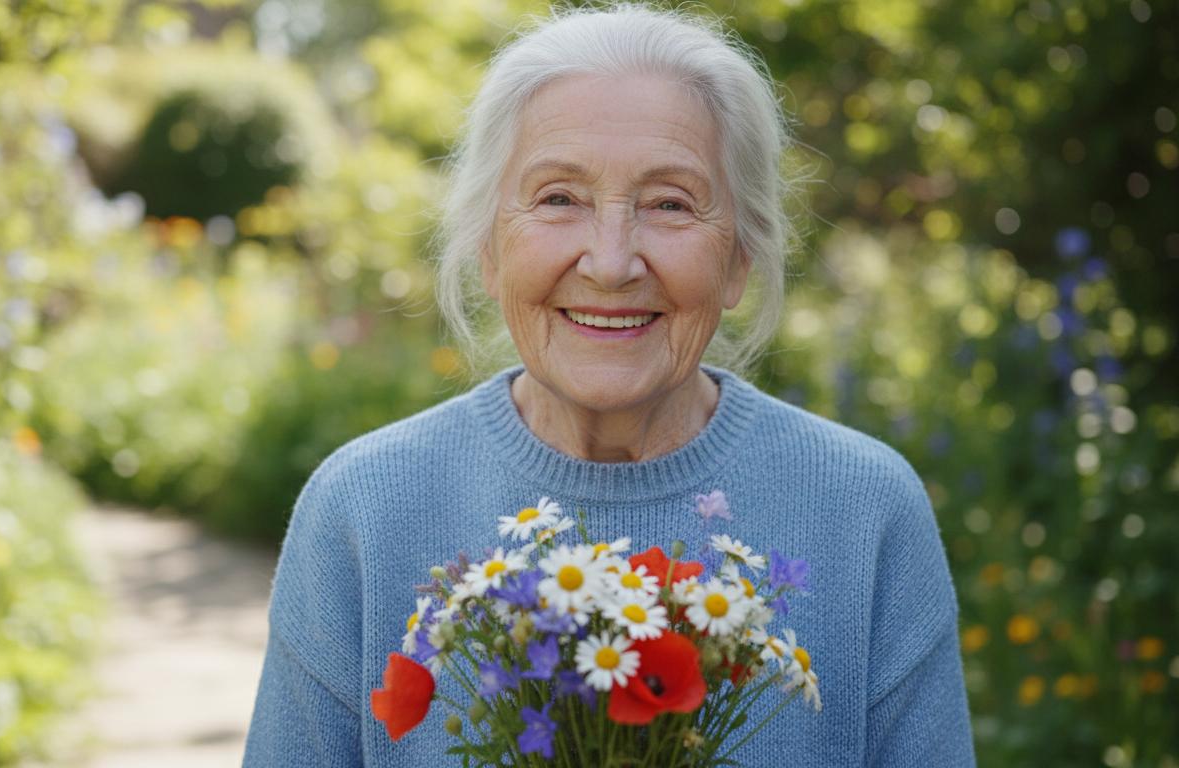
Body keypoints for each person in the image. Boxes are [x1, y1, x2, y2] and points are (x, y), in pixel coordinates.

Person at [243, 4, 974, 766]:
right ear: (490, 247)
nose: (611, 262)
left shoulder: (865, 510)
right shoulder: (363, 510)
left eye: (670, 204)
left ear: (739, 258)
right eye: (559, 199)